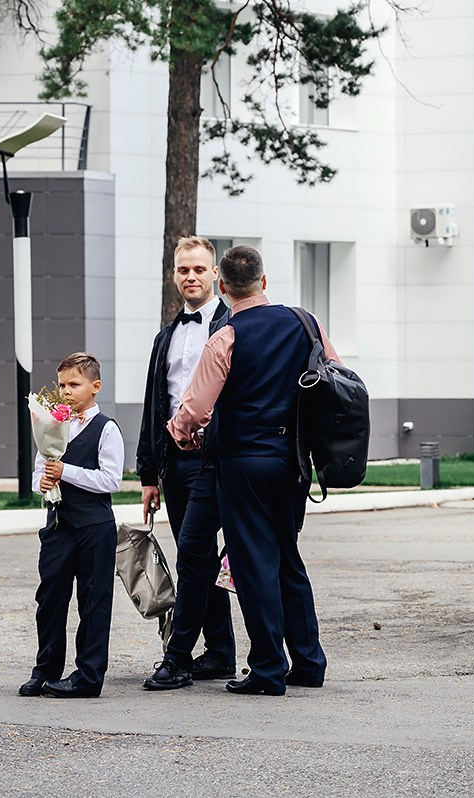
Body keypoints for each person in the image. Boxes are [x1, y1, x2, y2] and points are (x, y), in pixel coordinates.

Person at [168, 245, 340, 696]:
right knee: (287, 556)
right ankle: (308, 662)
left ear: (222, 286)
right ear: (264, 281)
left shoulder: (225, 336)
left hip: (242, 462)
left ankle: (266, 669)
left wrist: (180, 432)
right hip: (292, 461)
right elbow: (337, 376)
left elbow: (195, 409)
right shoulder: (307, 323)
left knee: (253, 563)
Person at [136, 236, 237, 690]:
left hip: (219, 460)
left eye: (199, 269)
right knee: (196, 557)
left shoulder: (236, 325)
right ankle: (219, 652)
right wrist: (149, 474)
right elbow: (154, 405)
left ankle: (177, 657)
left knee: (196, 557)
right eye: (183, 270)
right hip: (175, 463)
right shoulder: (167, 337)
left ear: (215, 274)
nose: (191, 277)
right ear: (174, 275)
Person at [19, 352, 124, 699]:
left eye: (74, 384)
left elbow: (112, 479)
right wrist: (43, 484)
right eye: (62, 384)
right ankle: (45, 669)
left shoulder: (106, 427)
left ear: (95, 387)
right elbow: (38, 472)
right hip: (59, 525)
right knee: (49, 598)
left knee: (93, 600)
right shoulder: (51, 425)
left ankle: (88, 676)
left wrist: (68, 473)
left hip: (95, 526)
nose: (66, 391)